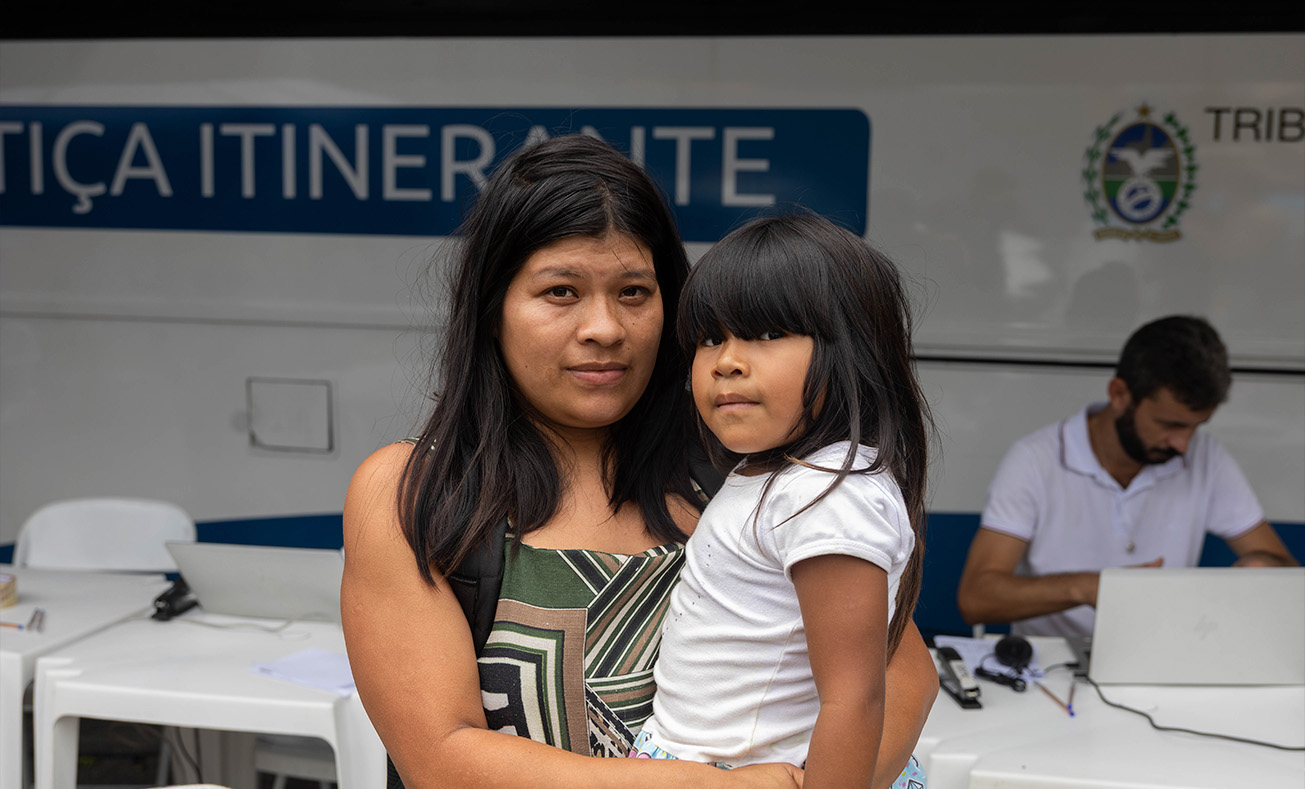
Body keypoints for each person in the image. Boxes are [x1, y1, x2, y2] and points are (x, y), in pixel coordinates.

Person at [341, 134, 939, 789]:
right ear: (492, 310)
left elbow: (900, 674)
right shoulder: (415, 492)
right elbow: (443, 758)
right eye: (560, 291)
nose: (604, 327)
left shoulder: (752, 468)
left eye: (633, 291)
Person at [629, 212, 932, 789]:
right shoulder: (780, 476)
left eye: (767, 335)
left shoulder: (825, 494)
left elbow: (856, 699)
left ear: (853, 352)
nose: (727, 361)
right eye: (709, 337)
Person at [956, 315, 1298, 638]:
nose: (1183, 444)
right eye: (1170, 425)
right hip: (1051, 668)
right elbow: (976, 599)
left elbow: (1284, 569)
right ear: (1119, 394)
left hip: (1165, 652)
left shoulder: (1205, 456)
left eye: (1196, 427)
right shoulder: (1034, 460)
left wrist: (1263, 571)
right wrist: (1093, 588)